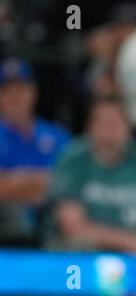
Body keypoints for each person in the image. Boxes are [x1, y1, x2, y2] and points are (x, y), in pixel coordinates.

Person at [46, 96, 136, 255]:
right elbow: (72, 225)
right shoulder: (72, 159)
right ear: (90, 126)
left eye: (116, 122)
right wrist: (133, 243)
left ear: (127, 127)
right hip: (90, 251)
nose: (110, 129)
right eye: (104, 122)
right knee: (77, 243)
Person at [0, 57, 71, 247]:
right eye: (7, 91)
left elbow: (71, 184)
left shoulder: (57, 135)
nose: (15, 96)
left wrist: (13, 182)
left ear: (33, 92)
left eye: (21, 89)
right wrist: (43, 182)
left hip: (53, 227)